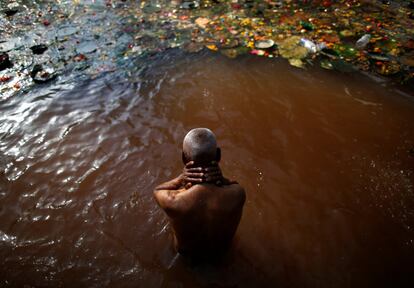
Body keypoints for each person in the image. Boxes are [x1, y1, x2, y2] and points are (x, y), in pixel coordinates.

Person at [153, 128, 246, 261]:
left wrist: (180, 179)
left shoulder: (172, 200)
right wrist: (223, 179)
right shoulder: (237, 194)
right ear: (218, 155)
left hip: (187, 260)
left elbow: (156, 190)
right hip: (222, 256)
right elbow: (235, 185)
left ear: (184, 158)